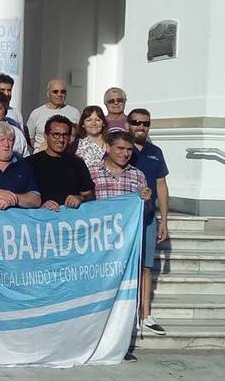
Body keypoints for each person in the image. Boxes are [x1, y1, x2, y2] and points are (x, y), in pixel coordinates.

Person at [87, 130, 154, 361]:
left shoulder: (138, 176)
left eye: (129, 150)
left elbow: (143, 213)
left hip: (125, 249)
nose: (125, 153)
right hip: (99, 246)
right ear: (108, 147)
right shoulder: (92, 172)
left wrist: (145, 201)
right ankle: (91, 343)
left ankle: (119, 346)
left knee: (123, 298)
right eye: (120, 148)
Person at [128, 108, 170, 336]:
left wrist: (164, 220)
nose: (141, 127)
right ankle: (126, 311)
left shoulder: (156, 152)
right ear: (128, 124)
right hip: (125, 220)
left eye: (145, 123)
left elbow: (161, 186)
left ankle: (145, 314)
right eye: (136, 122)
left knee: (146, 266)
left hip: (147, 218)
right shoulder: (121, 148)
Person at [27, 116, 94, 210]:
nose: (61, 140)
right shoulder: (30, 163)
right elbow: (22, 196)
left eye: (65, 135)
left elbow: (89, 195)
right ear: (46, 136)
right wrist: (40, 205)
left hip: (70, 221)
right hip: (40, 221)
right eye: (56, 134)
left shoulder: (78, 163)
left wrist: (80, 198)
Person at [27, 79, 81, 152]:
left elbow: (78, 136)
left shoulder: (74, 112)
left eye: (63, 92)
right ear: (48, 93)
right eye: (55, 92)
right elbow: (29, 138)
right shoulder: (36, 113)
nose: (59, 94)